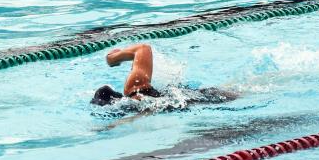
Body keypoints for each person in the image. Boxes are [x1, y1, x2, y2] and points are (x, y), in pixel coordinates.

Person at [91, 43, 237, 108]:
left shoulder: (135, 108)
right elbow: (143, 48)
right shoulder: (134, 87)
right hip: (202, 95)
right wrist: (112, 58)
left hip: (196, 103)